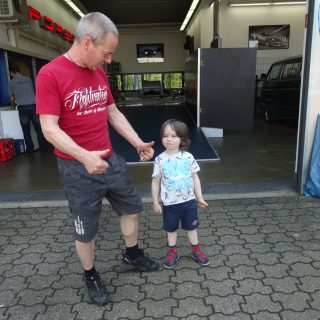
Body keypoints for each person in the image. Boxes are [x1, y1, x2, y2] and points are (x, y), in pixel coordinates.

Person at [36, 12, 159, 306]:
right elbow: (48, 128)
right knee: (85, 229)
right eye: (107, 53)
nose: (108, 60)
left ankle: (132, 255)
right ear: (88, 42)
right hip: (76, 168)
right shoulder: (50, 75)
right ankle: (90, 274)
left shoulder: (99, 72)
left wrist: (137, 143)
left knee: (132, 207)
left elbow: (112, 113)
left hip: (110, 160)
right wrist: (83, 156)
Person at [151, 119, 210, 269]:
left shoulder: (188, 157)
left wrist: (200, 197)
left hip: (189, 201)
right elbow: (155, 182)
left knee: (192, 227)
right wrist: (155, 201)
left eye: (174, 136)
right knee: (171, 229)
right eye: (165, 136)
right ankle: (173, 252)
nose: (169, 139)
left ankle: (196, 250)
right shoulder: (159, 160)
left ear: (182, 139)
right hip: (170, 204)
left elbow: (195, 178)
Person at [8, 65, 47, 153]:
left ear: (11, 73)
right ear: (19, 71)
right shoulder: (28, 79)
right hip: (34, 107)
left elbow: (12, 98)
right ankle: (43, 149)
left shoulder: (11, 82)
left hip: (23, 109)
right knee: (39, 130)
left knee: (26, 132)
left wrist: (13, 106)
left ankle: (30, 150)